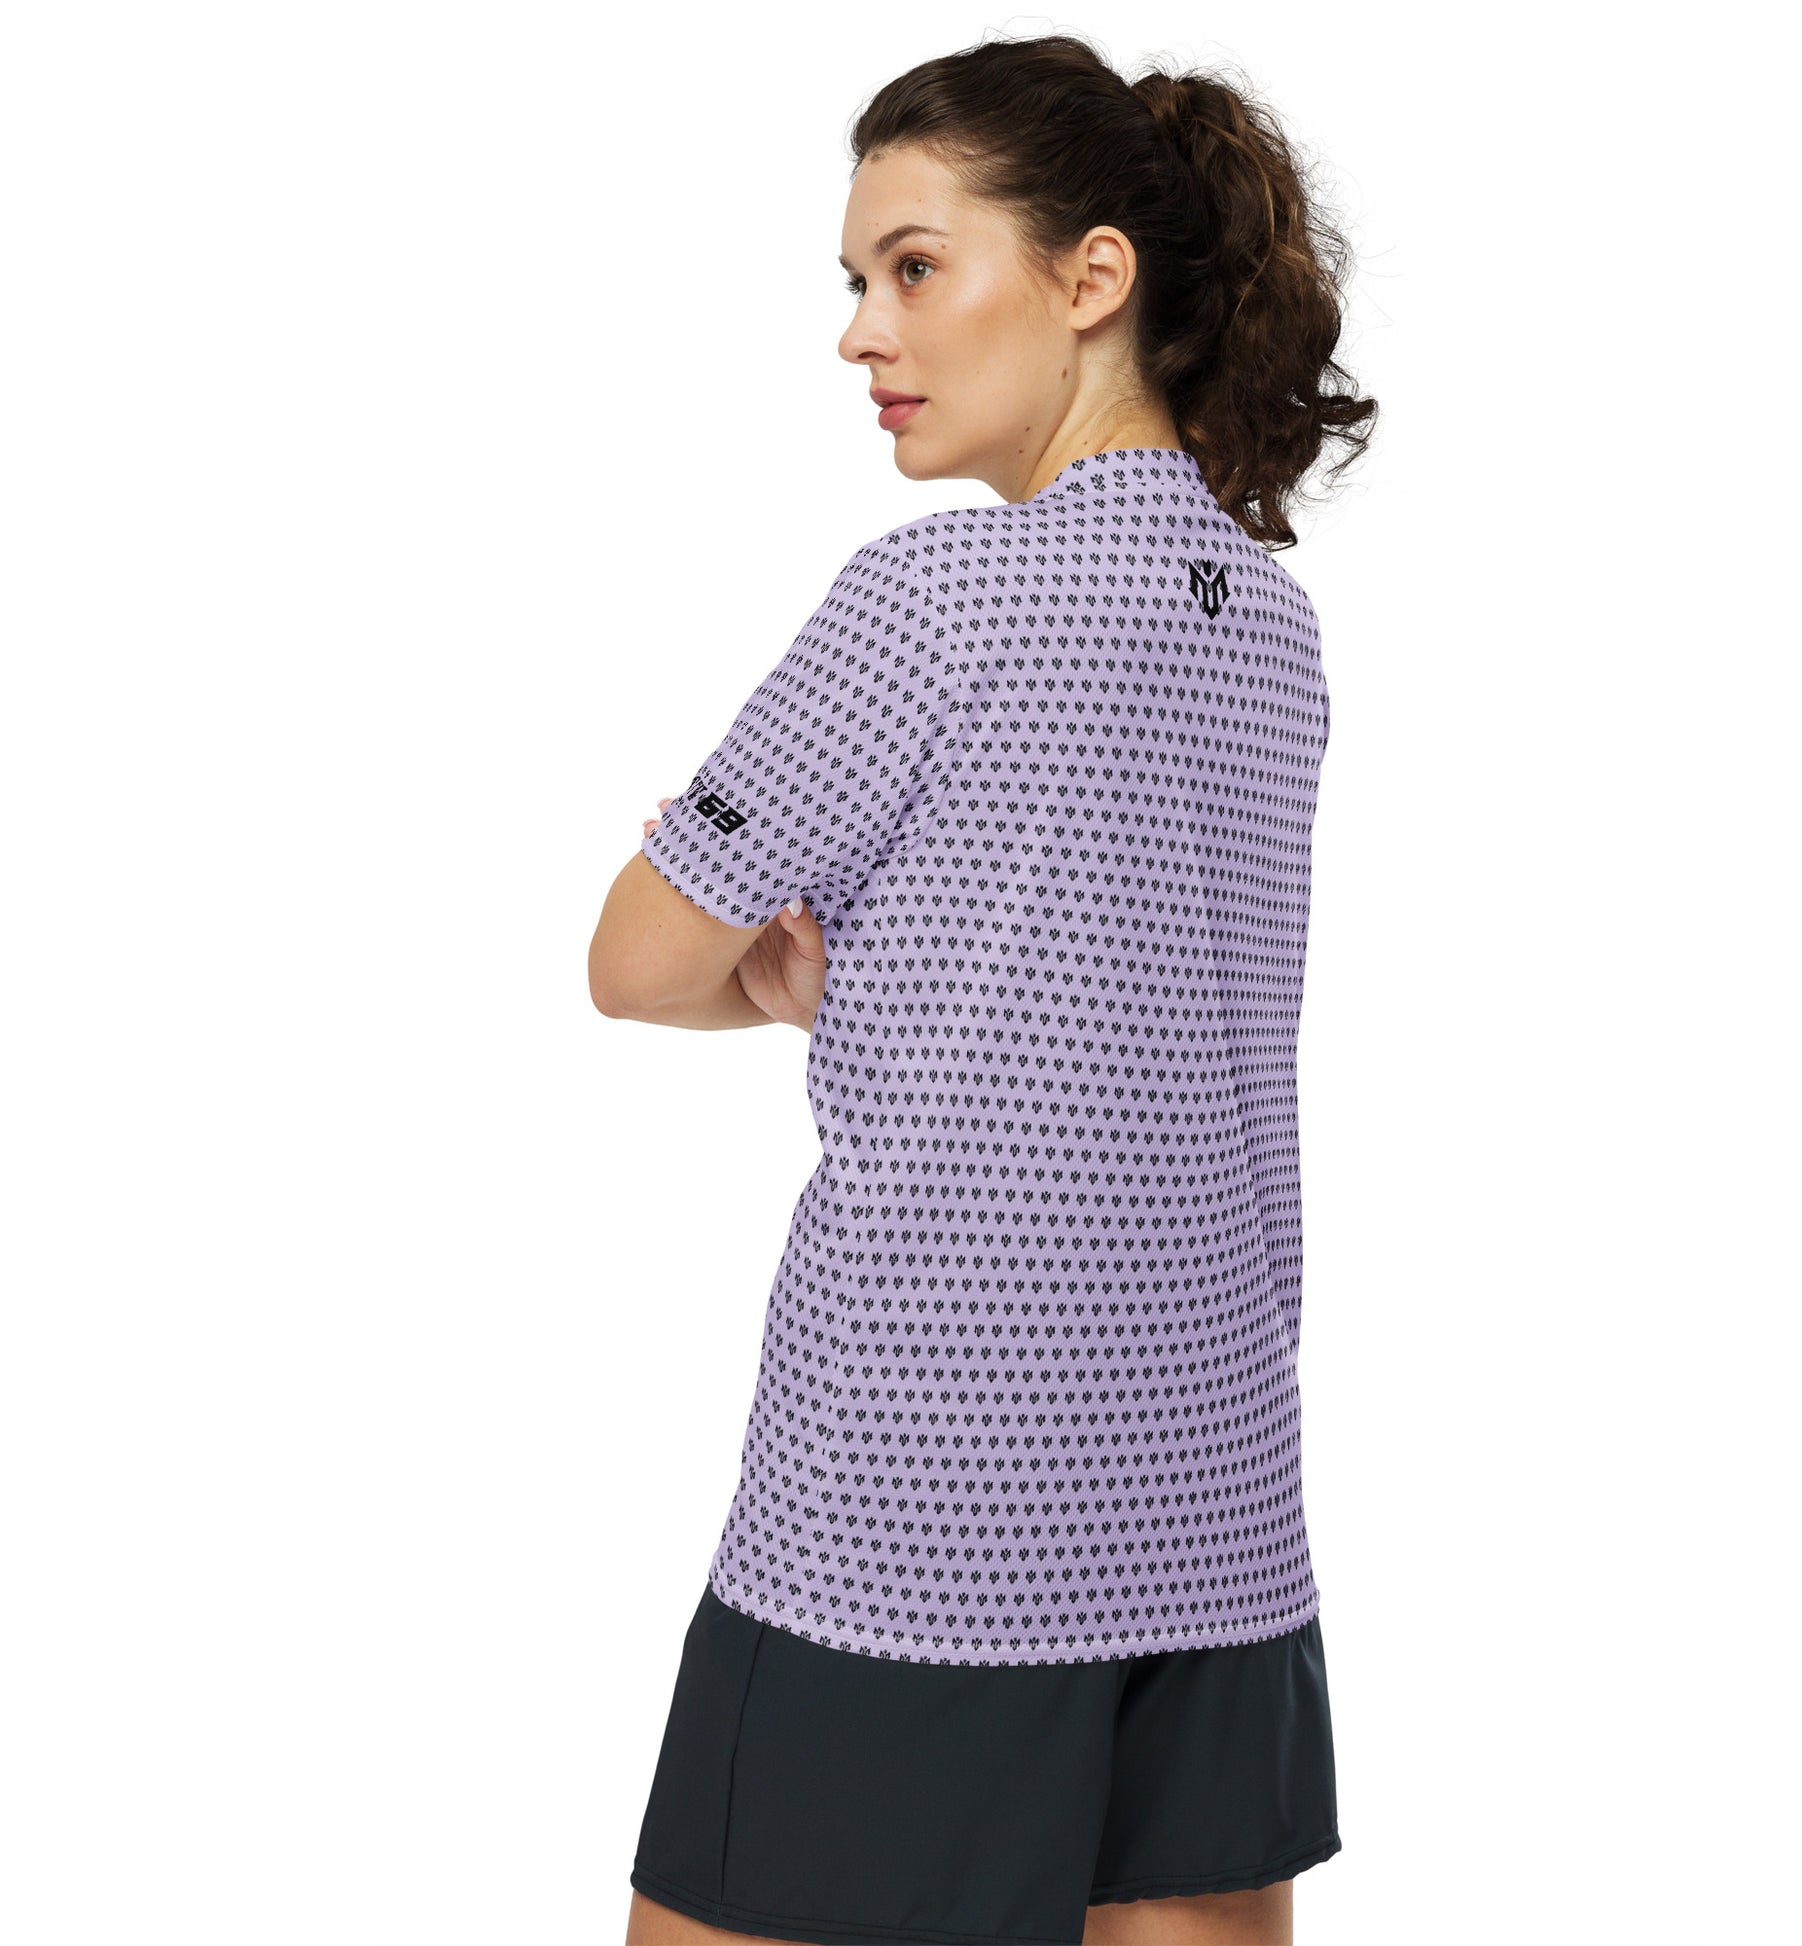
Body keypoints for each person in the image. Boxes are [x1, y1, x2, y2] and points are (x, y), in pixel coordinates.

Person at [587, 30, 1376, 1946]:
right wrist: (882, 986)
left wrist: (795, 987)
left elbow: (635, 957)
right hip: (1209, 1481)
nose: (861, 331)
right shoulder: (1272, 634)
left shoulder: (932, 600)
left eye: (914, 267)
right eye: (859, 280)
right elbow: (1103, 987)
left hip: (922, 1491)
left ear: (1091, 277)